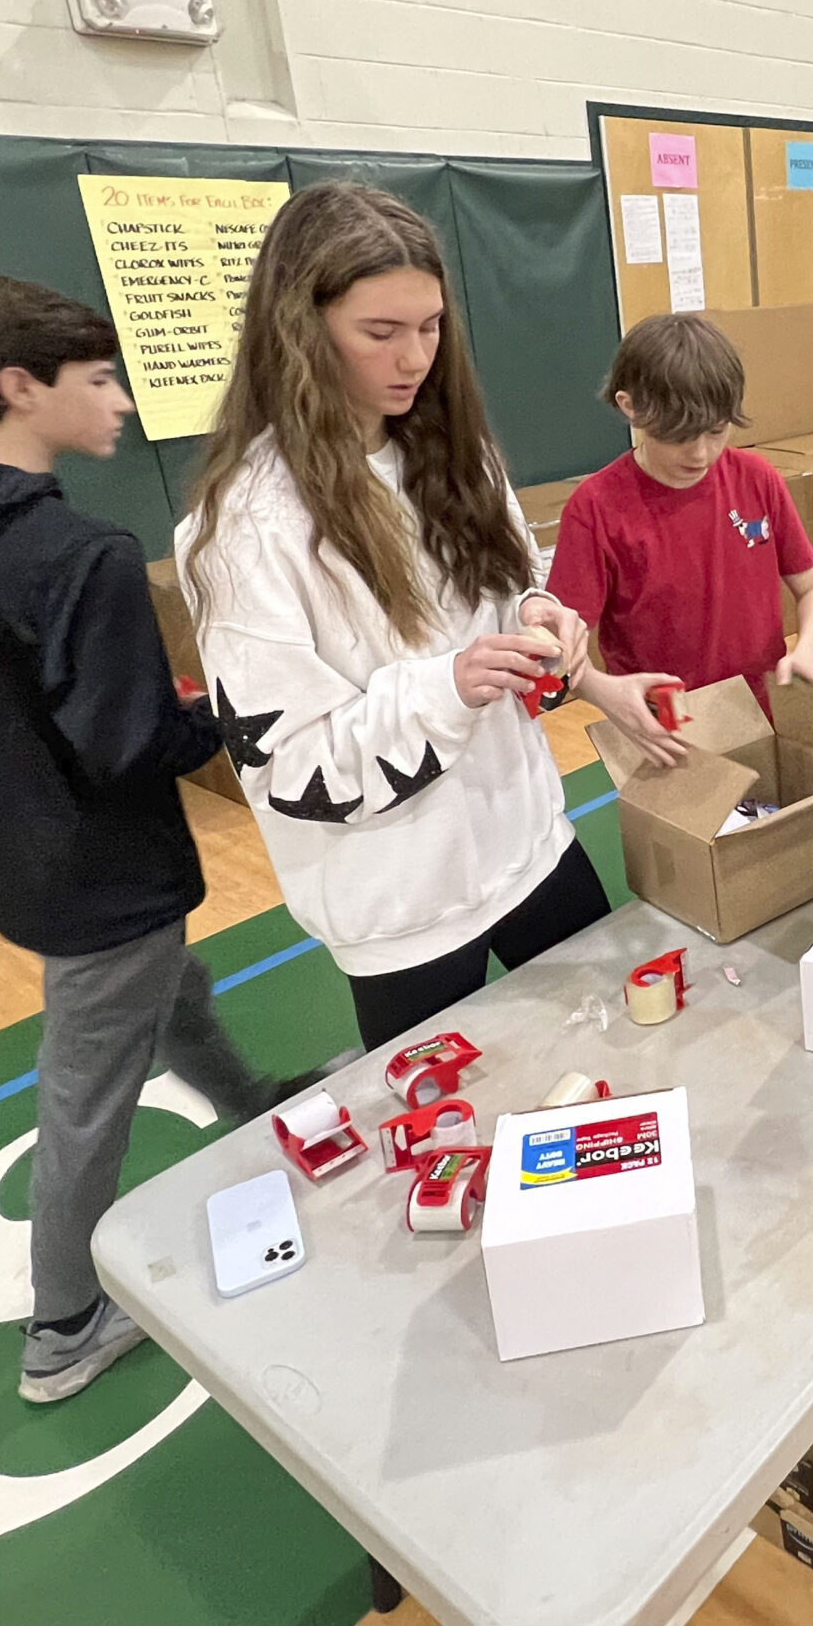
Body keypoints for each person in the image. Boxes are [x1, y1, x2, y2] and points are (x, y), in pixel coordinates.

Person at [0, 275, 300, 1405]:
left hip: (13, 864)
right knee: (87, 1089)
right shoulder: (80, 554)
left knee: (161, 992)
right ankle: (63, 1328)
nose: (123, 404)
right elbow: (129, 744)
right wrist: (241, 711)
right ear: (19, 387)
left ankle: (249, 1102)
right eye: (100, 381)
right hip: (105, 874)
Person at [177, 183, 608, 1052]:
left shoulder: (454, 448)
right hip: (402, 909)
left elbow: (510, 571)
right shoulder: (244, 530)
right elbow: (291, 768)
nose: (414, 357)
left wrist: (538, 612)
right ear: (302, 330)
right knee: (457, 1148)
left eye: (432, 327)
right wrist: (448, 687)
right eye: (380, 333)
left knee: (613, 1067)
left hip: (530, 843)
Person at [546, 312, 813, 763]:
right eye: (677, 435)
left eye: (716, 432)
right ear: (630, 406)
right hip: (662, 737)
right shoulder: (596, 507)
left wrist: (809, 651)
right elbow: (561, 647)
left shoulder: (757, 479)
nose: (700, 453)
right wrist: (603, 693)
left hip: (765, 718)